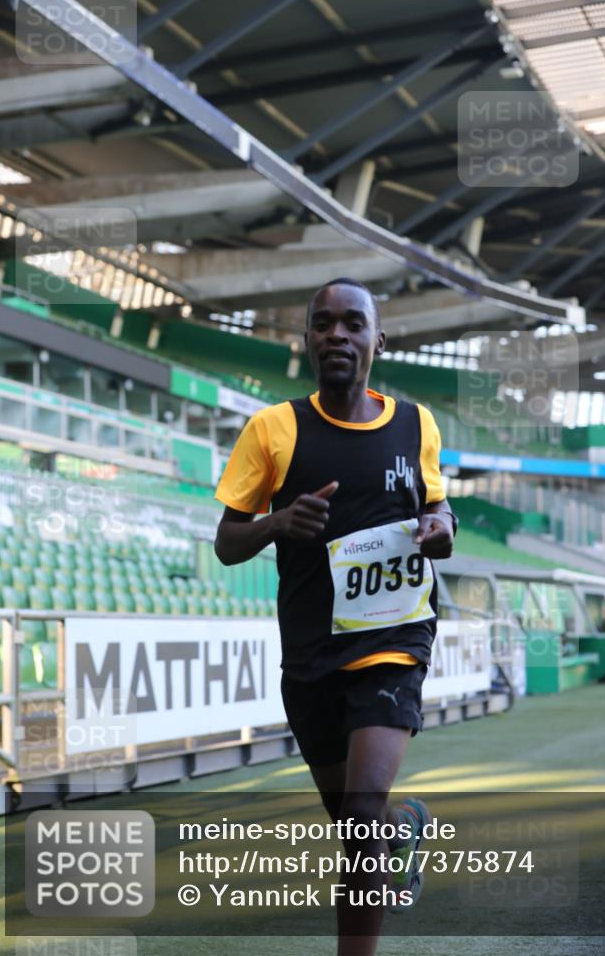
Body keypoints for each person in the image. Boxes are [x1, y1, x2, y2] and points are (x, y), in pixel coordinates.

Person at [215, 278, 456, 955]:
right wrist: (278, 523)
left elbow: (436, 506)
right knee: (356, 821)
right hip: (310, 650)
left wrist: (443, 526)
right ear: (307, 339)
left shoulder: (415, 424)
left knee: (359, 813)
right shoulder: (273, 429)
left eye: (353, 323)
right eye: (323, 324)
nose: (337, 335)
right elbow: (227, 542)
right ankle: (404, 826)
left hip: (394, 638)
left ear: (378, 338)